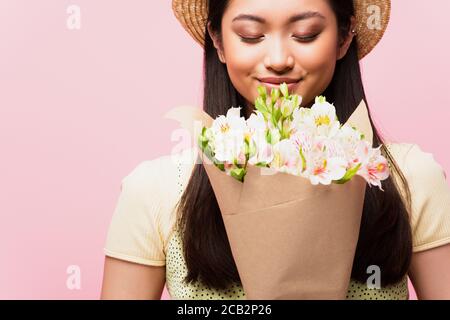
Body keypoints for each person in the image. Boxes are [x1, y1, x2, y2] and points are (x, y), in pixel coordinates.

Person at [100, 0, 450, 300]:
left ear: (344, 37)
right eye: (251, 36)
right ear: (218, 42)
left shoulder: (409, 177)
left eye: (306, 34)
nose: (279, 59)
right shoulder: (154, 190)